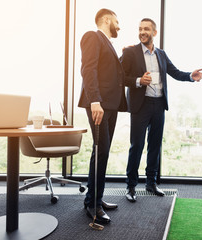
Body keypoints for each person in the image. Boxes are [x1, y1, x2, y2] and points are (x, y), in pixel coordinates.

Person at [121, 18, 202, 202]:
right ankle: (130, 186)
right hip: (140, 105)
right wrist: (138, 80)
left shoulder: (161, 54)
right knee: (137, 145)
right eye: (140, 29)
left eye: (146, 29)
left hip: (159, 104)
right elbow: (120, 76)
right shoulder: (130, 52)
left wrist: (191, 76)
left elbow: (175, 72)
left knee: (155, 145)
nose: (142, 32)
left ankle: (151, 183)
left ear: (154, 33)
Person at [78, 8, 127, 224]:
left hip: (110, 106)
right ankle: (93, 205)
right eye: (117, 21)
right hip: (99, 105)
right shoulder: (92, 37)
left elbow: (111, 71)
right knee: (101, 152)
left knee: (102, 153)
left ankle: (95, 198)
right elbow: (88, 69)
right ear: (106, 19)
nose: (119, 25)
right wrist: (95, 100)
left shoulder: (109, 44)